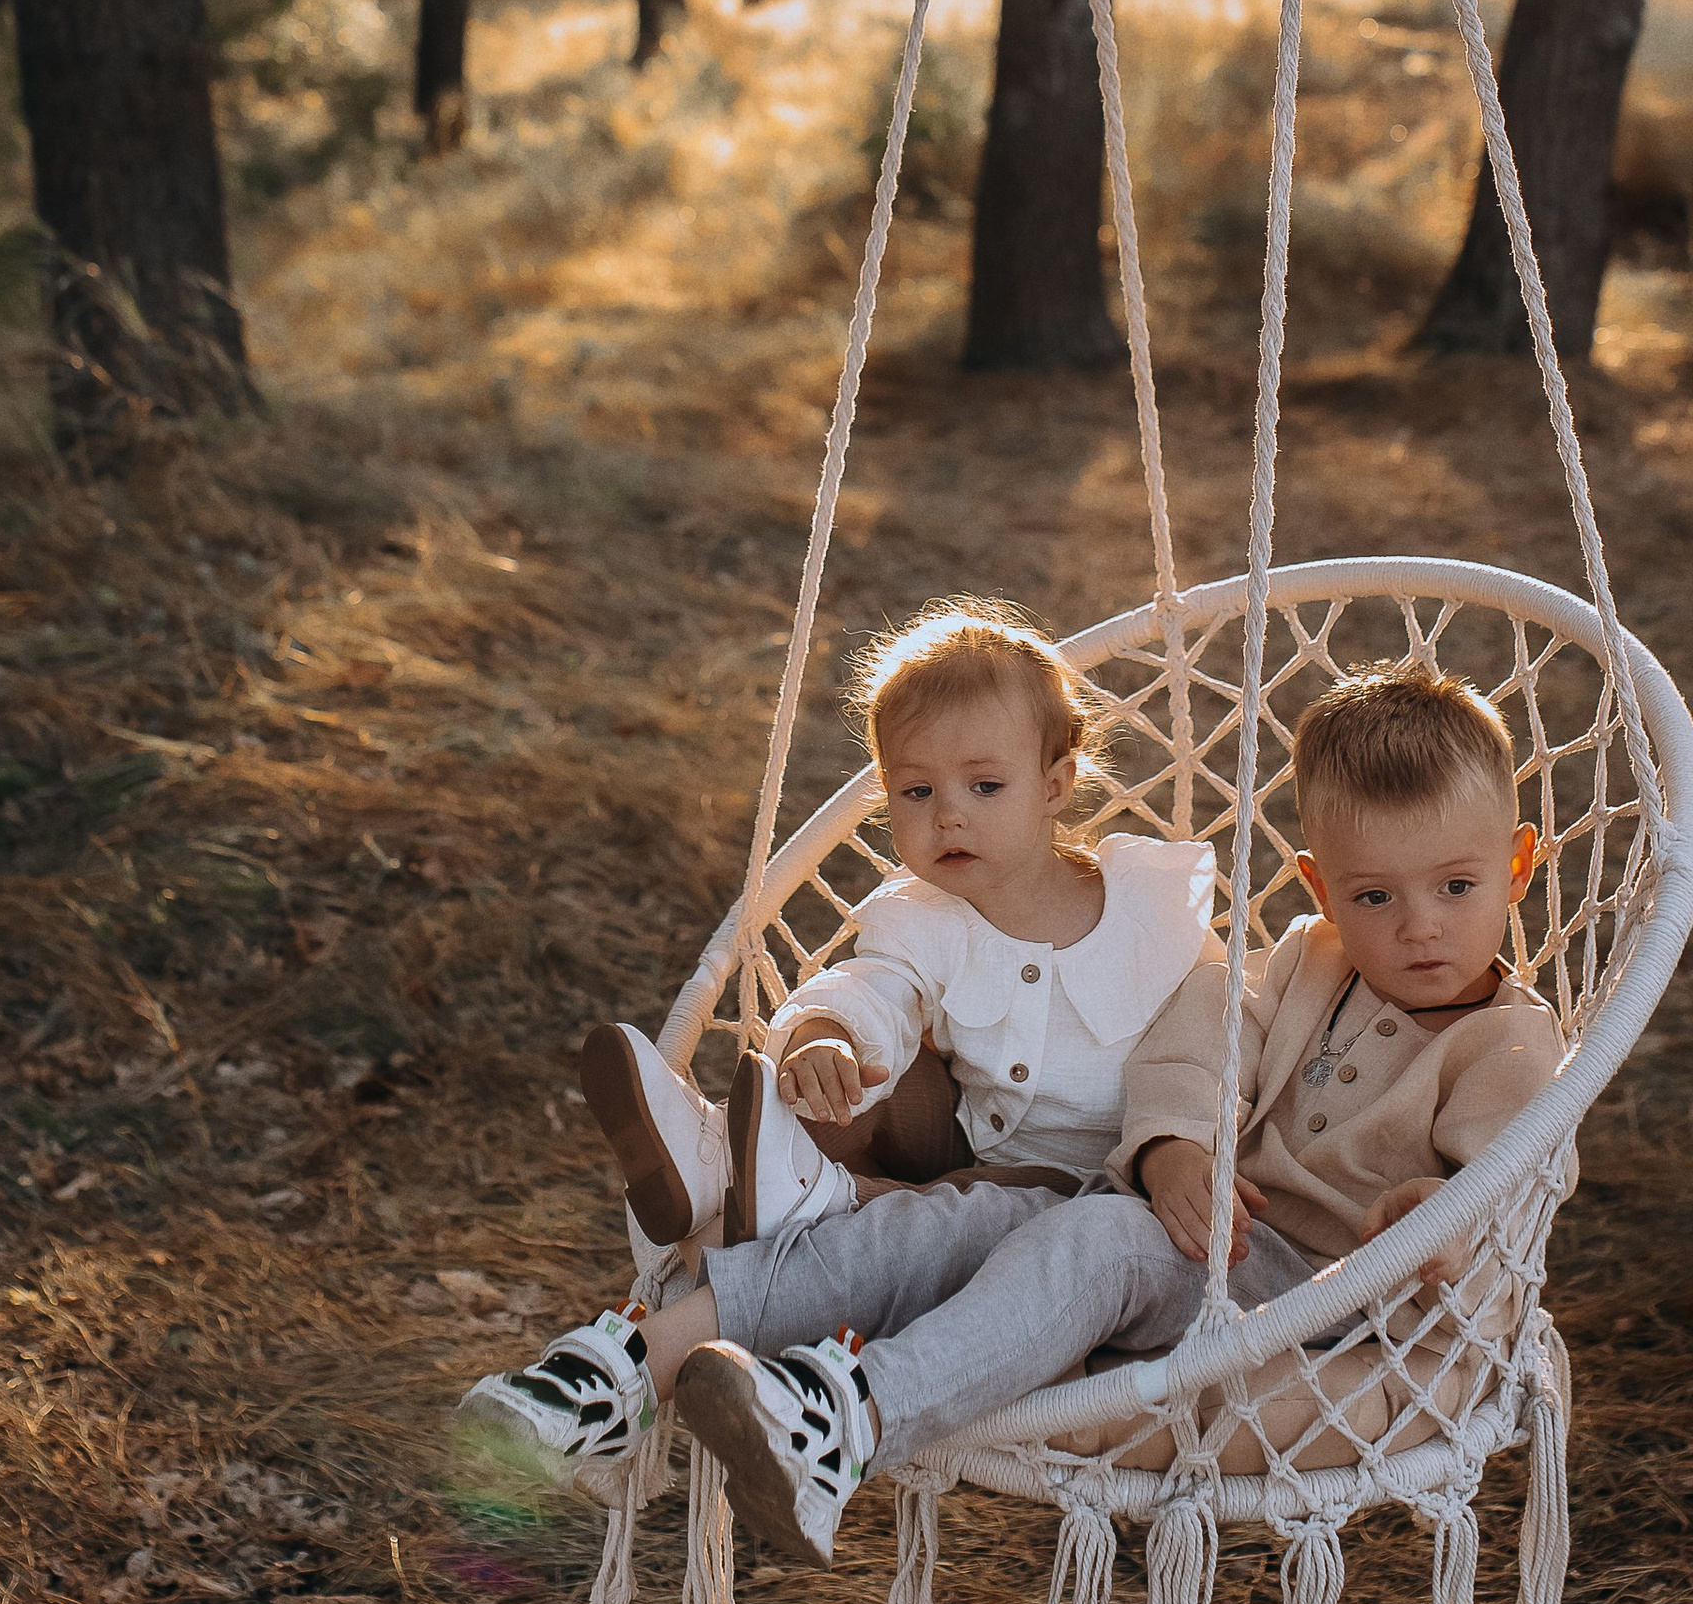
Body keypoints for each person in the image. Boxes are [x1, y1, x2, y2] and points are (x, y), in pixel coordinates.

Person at [668, 658, 1568, 1561]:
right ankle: (660, 1346)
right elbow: (1201, 1035)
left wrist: (1435, 1225)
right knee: (986, 1218)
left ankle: (846, 1421)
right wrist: (1173, 1142)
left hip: (1329, 1297)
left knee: (1097, 1243)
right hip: (1209, 1240)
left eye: (1457, 887)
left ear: (1519, 865)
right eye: (1374, 896)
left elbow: (1504, 1186)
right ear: (1323, 889)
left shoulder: (1511, 1049)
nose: (1420, 926)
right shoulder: (1308, 961)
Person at [465, 600, 1215, 1474]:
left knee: (963, 1189)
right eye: (916, 791)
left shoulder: (1147, 912)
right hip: (957, 1140)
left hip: (1076, 1190)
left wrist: (1181, 1145)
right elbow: (878, 988)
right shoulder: (922, 916)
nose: (948, 818)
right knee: (857, 1066)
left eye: (985, 786)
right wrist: (824, 1031)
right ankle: (724, 1155)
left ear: (1055, 785)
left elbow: (1213, 1041)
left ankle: (792, 1197)